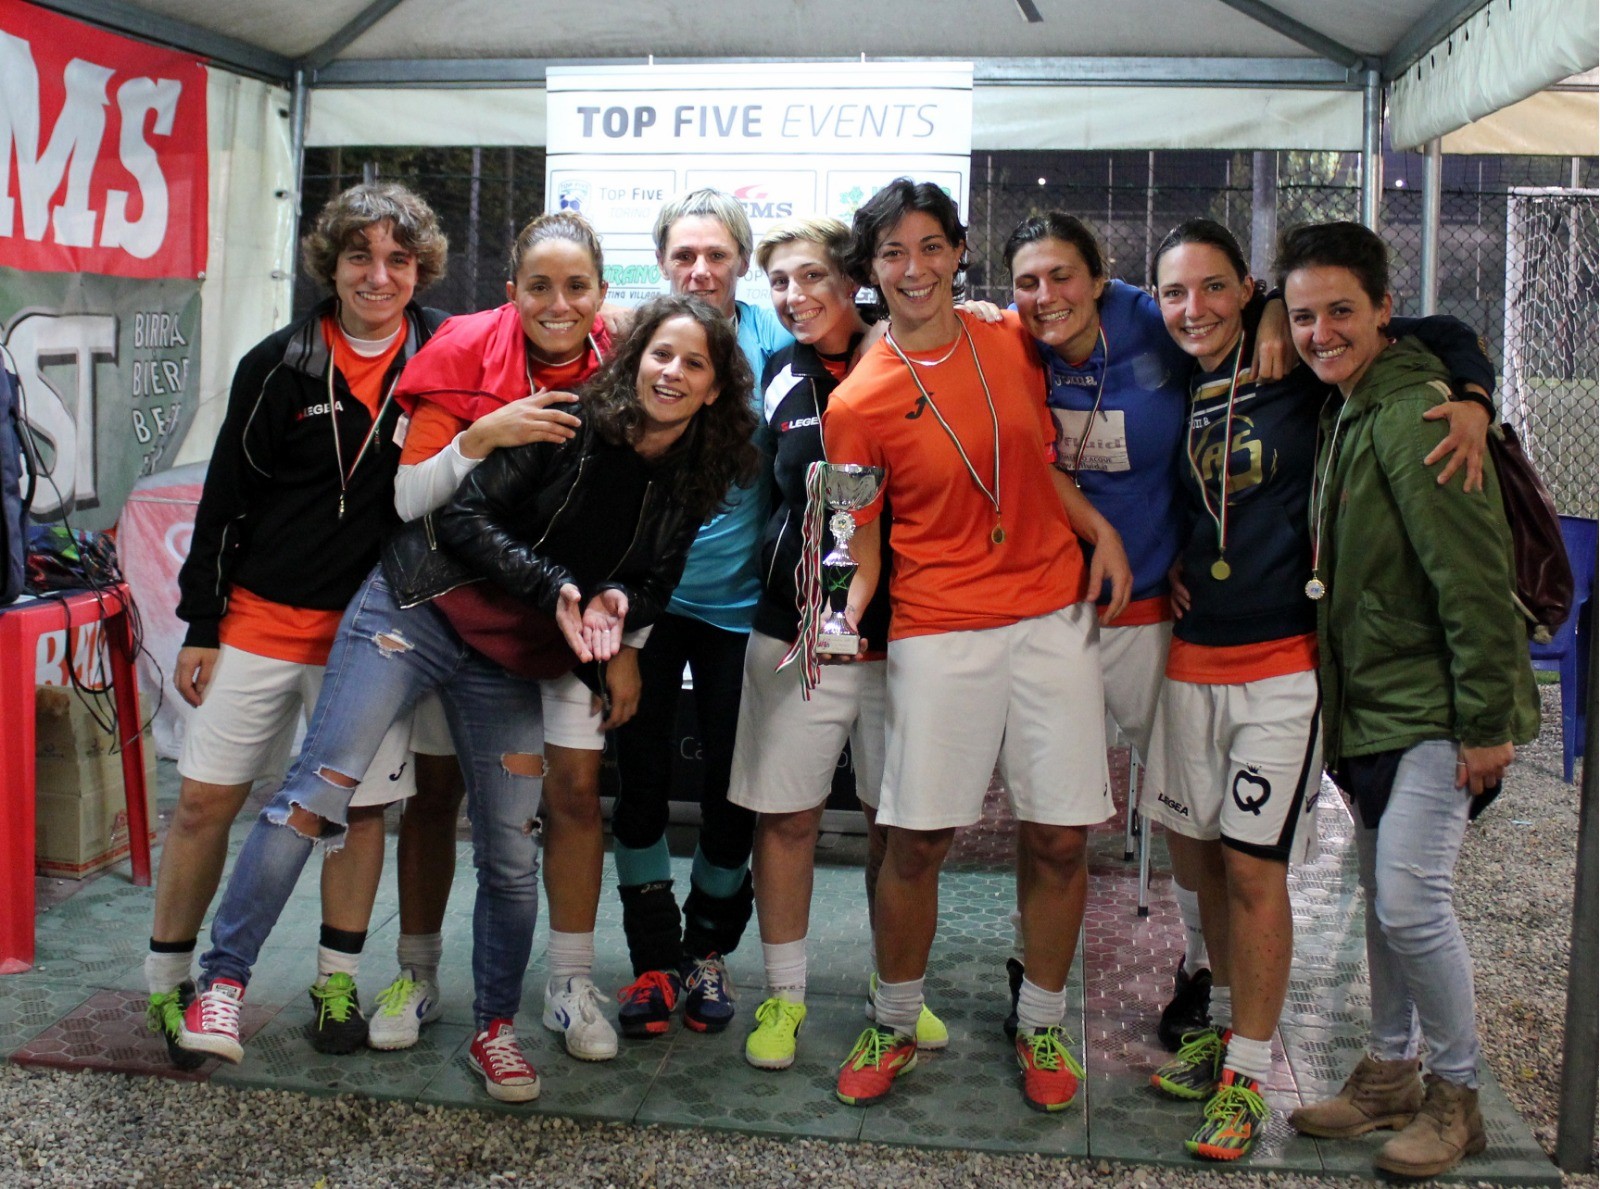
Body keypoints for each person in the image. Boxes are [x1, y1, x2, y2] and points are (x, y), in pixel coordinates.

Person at [172, 295, 759, 1105]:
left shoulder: (698, 475)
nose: (673, 373)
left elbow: (656, 575)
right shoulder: (571, 418)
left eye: (695, 363)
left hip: (510, 655)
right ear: (635, 359)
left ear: (716, 388)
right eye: (662, 353)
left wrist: (621, 602)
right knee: (317, 791)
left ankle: (494, 1029)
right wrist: (555, 586)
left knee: (512, 848)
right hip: (417, 606)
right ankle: (222, 983)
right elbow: (465, 516)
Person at [1142, 218, 1494, 1162]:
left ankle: (1252, 1074)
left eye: (1217, 288)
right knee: (1207, 864)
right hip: (1195, 657)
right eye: (1174, 292)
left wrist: (1472, 394)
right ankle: (1236, 1032)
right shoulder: (1173, 365)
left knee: (1265, 871)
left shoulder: (1315, 369)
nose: (1193, 308)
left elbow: (1442, 334)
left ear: (1248, 289)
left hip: (1285, 665)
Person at [823, 178, 1131, 1113]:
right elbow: (853, 542)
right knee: (916, 839)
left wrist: (1098, 530)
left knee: (1061, 836)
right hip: (939, 627)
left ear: (959, 253)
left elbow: (1035, 460)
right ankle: (894, 1019)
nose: (914, 268)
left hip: (1050, 616)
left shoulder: (1009, 334)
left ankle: (1041, 1020)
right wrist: (838, 617)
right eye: (892, 253)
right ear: (871, 270)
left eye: (930, 246)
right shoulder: (857, 401)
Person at [148, 182, 456, 1066]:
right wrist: (202, 623)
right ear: (332, 264)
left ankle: (335, 983)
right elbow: (224, 501)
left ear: (420, 270)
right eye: (360, 255)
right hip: (257, 622)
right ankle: (169, 982)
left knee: (359, 813)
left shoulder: (442, 354)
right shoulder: (279, 362)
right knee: (204, 802)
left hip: (373, 635)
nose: (378, 275)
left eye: (398, 259)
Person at [1278, 221, 1537, 1180]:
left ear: (1386, 310)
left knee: (1411, 903)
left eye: (1342, 310)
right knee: (1384, 905)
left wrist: (1486, 723)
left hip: (1431, 707)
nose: (1321, 332)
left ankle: (1456, 1095)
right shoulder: (1353, 406)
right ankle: (1388, 1071)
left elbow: (1473, 580)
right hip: (1375, 705)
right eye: (1304, 315)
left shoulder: (1415, 414)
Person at [362, 212, 632, 1063]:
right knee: (435, 794)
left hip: (573, 620)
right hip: (463, 613)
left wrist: (624, 640)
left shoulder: (629, 366)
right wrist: (485, 435)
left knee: (575, 794)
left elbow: (643, 523)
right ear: (511, 291)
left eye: (577, 286)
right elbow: (416, 498)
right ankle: (416, 972)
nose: (559, 303)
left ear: (602, 294)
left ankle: (569, 982)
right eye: (540, 286)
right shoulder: (462, 351)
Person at [728, 216, 947, 1071]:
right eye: (780, 281)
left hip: (907, 633)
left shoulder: (908, 353)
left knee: (898, 822)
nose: (795, 295)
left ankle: (897, 994)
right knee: (787, 817)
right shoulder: (779, 371)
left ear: (853, 279)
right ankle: (784, 996)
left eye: (813, 275)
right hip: (797, 629)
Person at [1003, 211, 1220, 1049]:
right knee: (1050, 817)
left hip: (1158, 606)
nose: (1046, 296)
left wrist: (1274, 315)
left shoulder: (1155, 320)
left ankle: (1202, 969)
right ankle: (1034, 974)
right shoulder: (1009, 344)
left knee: (1188, 806)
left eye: (1063, 275)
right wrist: (1095, 529)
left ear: (1101, 277)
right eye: (1027, 282)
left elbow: (1237, 321)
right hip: (1054, 610)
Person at [609, 190, 792, 1039]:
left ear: (742, 263)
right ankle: (654, 957)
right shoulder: (636, 338)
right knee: (640, 780)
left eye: (717, 254)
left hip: (740, 607)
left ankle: (708, 949)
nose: (700, 269)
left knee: (731, 788)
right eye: (684, 254)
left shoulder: (775, 337)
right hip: (648, 603)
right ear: (661, 262)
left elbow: (863, 340)